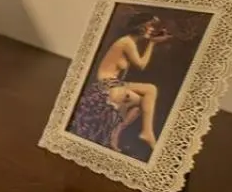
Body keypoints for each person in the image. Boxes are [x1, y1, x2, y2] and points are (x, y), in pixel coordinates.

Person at [71, 15, 174, 152]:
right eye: (149, 25)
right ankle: (126, 132)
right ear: (140, 26)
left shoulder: (129, 42)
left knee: (151, 89)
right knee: (142, 101)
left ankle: (145, 132)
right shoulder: (126, 43)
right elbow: (141, 65)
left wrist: (151, 41)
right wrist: (152, 43)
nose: (151, 29)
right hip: (107, 84)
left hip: (115, 82)